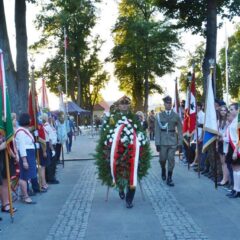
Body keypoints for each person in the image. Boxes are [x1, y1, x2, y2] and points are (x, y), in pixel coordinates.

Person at [95, 96, 151, 208]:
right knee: (119, 171)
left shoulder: (134, 118)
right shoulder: (113, 118)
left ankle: (129, 199)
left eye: (126, 104)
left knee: (132, 173)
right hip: (118, 153)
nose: (124, 106)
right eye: (122, 104)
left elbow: (140, 131)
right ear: (119, 106)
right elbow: (106, 133)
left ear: (129, 105)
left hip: (132, 152)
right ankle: (121, 188)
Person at [155, 95, 183, 186]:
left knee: (171, 159)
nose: (169, 105)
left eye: (170, 103)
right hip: (162, 141)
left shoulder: (176, 116)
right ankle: (163, 169)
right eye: (167, 103)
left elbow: (180, 130)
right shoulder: (159, 116)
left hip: (172, 140)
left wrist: (180, 143)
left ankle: (169, 177)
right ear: (164, 104)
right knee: (162, 159)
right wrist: (157, 143)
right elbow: (157, 130)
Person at [15, 113, 37, 204]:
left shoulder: (24, 130)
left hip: (30, 154)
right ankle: (25, 196)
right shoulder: (20, 132)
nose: (30, 120)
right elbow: (22, 147)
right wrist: (24, 160)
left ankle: (25, 193)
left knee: (27, 175)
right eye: (29, 119)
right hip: (26, 155)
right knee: (24, 176)